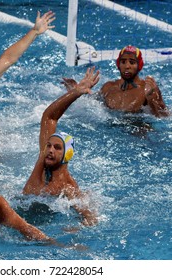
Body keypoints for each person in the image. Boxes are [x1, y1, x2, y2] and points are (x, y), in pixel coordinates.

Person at [23, 67, 100, 227]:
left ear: (67, 155)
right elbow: (49, 116)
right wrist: (76, 92)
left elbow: (91, 219)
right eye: (49, 146)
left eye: (57, 148)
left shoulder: (68, 188)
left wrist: (75, 230)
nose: (50, 150)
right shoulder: (43, 161)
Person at [62, 45, 169, 118]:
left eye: (132, 62)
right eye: (123, 62)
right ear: (118, 65)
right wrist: (76, 91)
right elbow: (93, 102)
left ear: (139, 65)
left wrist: (153, 98)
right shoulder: (108, 87)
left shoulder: (147, 90)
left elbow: (164, 117)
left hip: (137, 132)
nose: (127, 66)